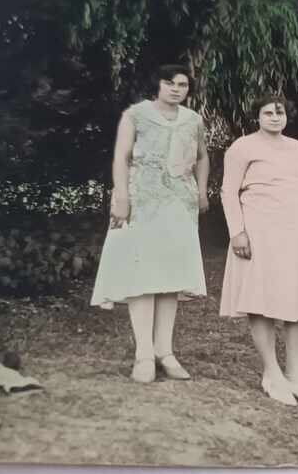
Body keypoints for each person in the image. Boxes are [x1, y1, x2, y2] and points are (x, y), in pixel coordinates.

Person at [89, 65, 210, 383]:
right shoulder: (136, 115)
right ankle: (143, 353)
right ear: (157, 84)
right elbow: (121, 157)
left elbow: (201, 156)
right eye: (169, 82)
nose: (176, 88)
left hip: (179, 204)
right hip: (142, 201)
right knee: (143, 274)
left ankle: (164, 351)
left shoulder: (193, 120)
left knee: (170, 275)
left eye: (182, 84)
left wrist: (200, 191)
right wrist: (122, 197)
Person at [219, 96, 298, 411]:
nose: (273, 117)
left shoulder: (297, 148)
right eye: (267, 112)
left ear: (288, 116)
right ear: (257, 116)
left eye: (279, 112)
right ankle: (272, 373)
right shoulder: (242, 147)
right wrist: (237, 232)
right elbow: (228, 191)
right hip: (258, 231)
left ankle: (297, 376)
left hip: (294, 232)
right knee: (261, 300)